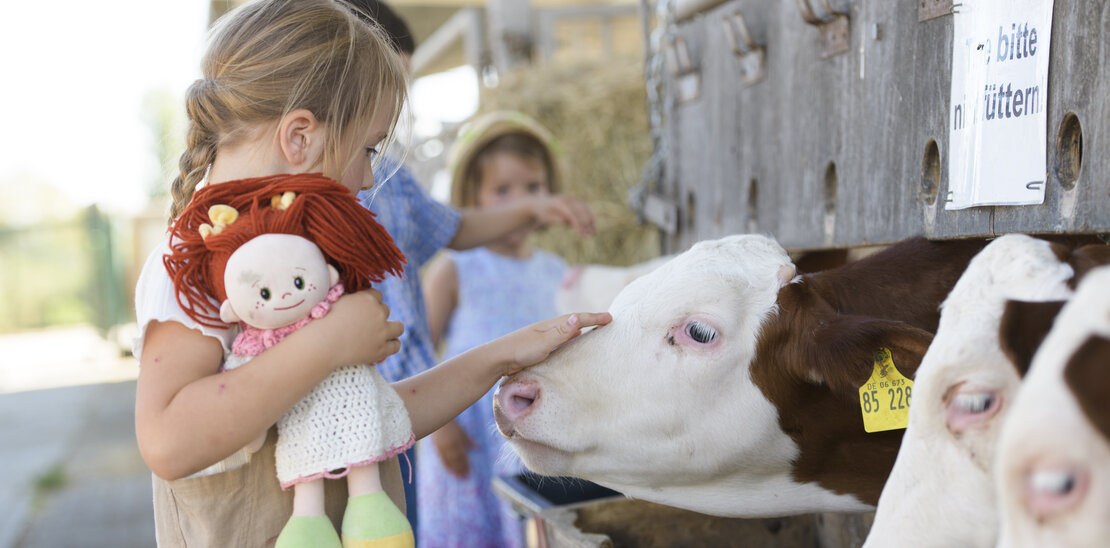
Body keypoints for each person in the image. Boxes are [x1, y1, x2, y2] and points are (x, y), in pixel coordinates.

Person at [131, 2, 611, 547]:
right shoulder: (196, 261)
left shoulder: (307, 261)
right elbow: (169, 441)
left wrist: (505, 354)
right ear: (300, 136)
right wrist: (329, 343)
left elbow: (377, 416)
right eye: (367, 149)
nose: (366, 177)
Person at [338, 0, 596, 537]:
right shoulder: (318, 196)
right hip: (362, 419)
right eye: (388, 85)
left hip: (424, 413)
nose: (394, 109)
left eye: (403, 85)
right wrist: (442, 424)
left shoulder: (393, 179)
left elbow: (454, 226)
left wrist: (530, 210)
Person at [416, 112, 568, 547]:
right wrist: (438, 426)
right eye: (502, 190)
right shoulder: (456, 268)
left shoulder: (555, 273)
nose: (519, 202)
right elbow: (418, 345)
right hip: (464, 435)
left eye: (533, 188)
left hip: (529, 435)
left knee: (523, 528)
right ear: (474, 196)